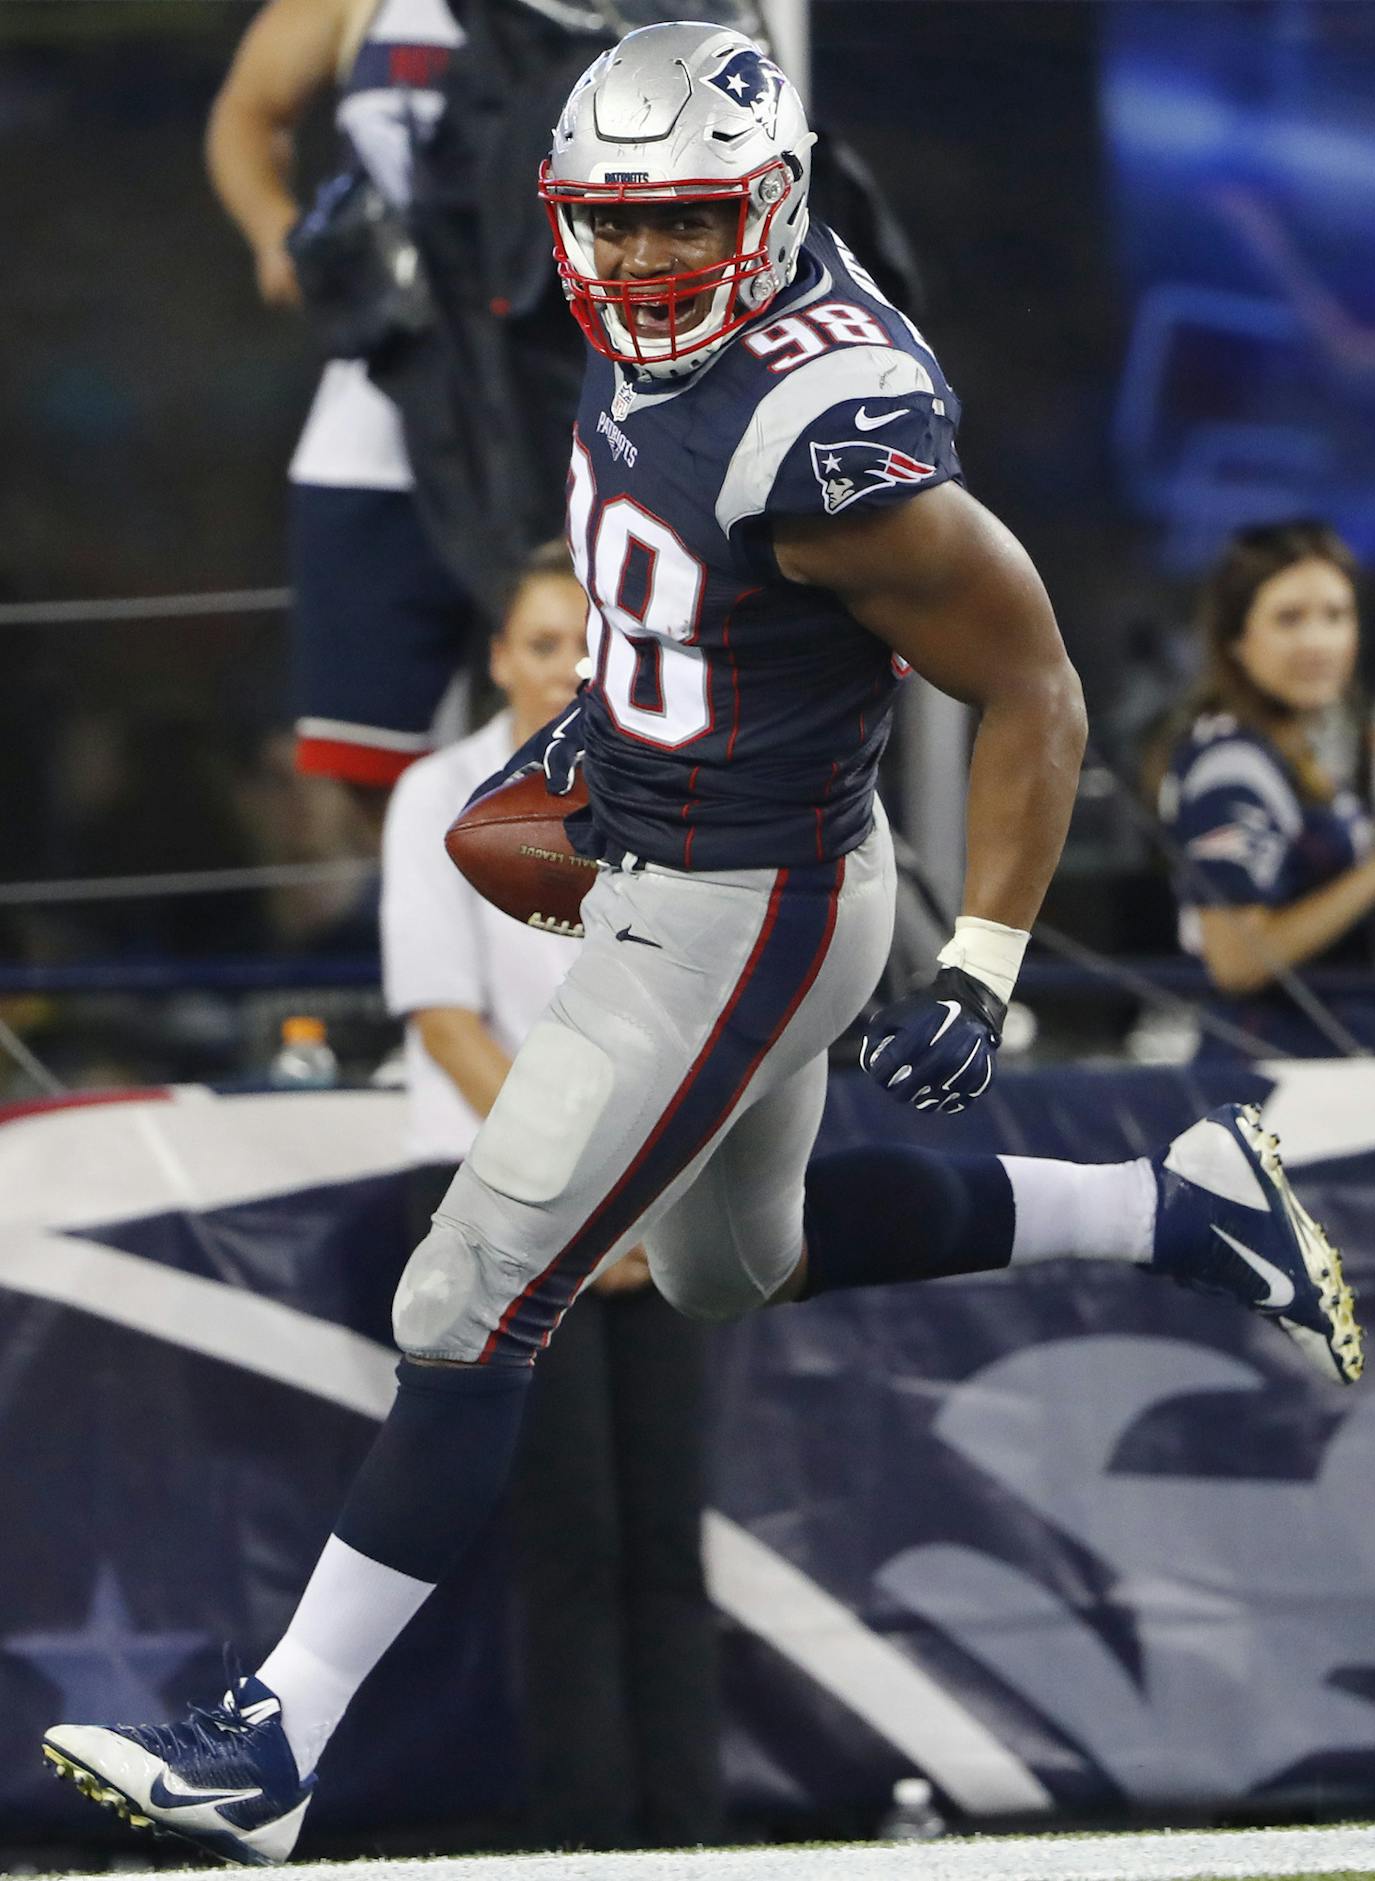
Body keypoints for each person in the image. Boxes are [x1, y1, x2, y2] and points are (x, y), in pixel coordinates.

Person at [44, 25, 1363, 1864]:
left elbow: (1035, 687)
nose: (647, 262)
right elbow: (704, 602)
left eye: (684, 223)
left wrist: (981, 961)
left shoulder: (831, 436)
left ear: (771, 202)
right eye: (619, 222)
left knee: (466, 1290)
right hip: (705, 851)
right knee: (741, 1261)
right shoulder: (645, 336)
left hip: (738, 900)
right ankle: (1170, 1204)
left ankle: (275, 1736)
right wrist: (610, 726)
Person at [381, 541, 721, 1849]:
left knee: (667, 1536)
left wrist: (645, 1196)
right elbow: (446, 1022)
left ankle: (691, 1839)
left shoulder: (679, 794)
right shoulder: (438, 795)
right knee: (568, 1541)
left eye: (588, 645)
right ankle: (589, 1843)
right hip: (508, 1201)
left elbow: (706, 1016)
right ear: (496, 657)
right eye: (539, 645)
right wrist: (581, 1196)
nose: (565, 670)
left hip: (654, 1195)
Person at [206, 0, 473, 813]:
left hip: (566, 383)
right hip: (395, 369)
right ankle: (434, 920)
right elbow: (246, 110)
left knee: (588, 711)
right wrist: (278, 235)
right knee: (364, 751)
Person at [1155, 519, 1375, 1059]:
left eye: (1335, 616)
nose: (1317, 641)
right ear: (1237, 641)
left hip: (1333, 1074)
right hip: (1270, 1091)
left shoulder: (1301, 753)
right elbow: (1237, 961)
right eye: (1289, 619)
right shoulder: (1230, 764)